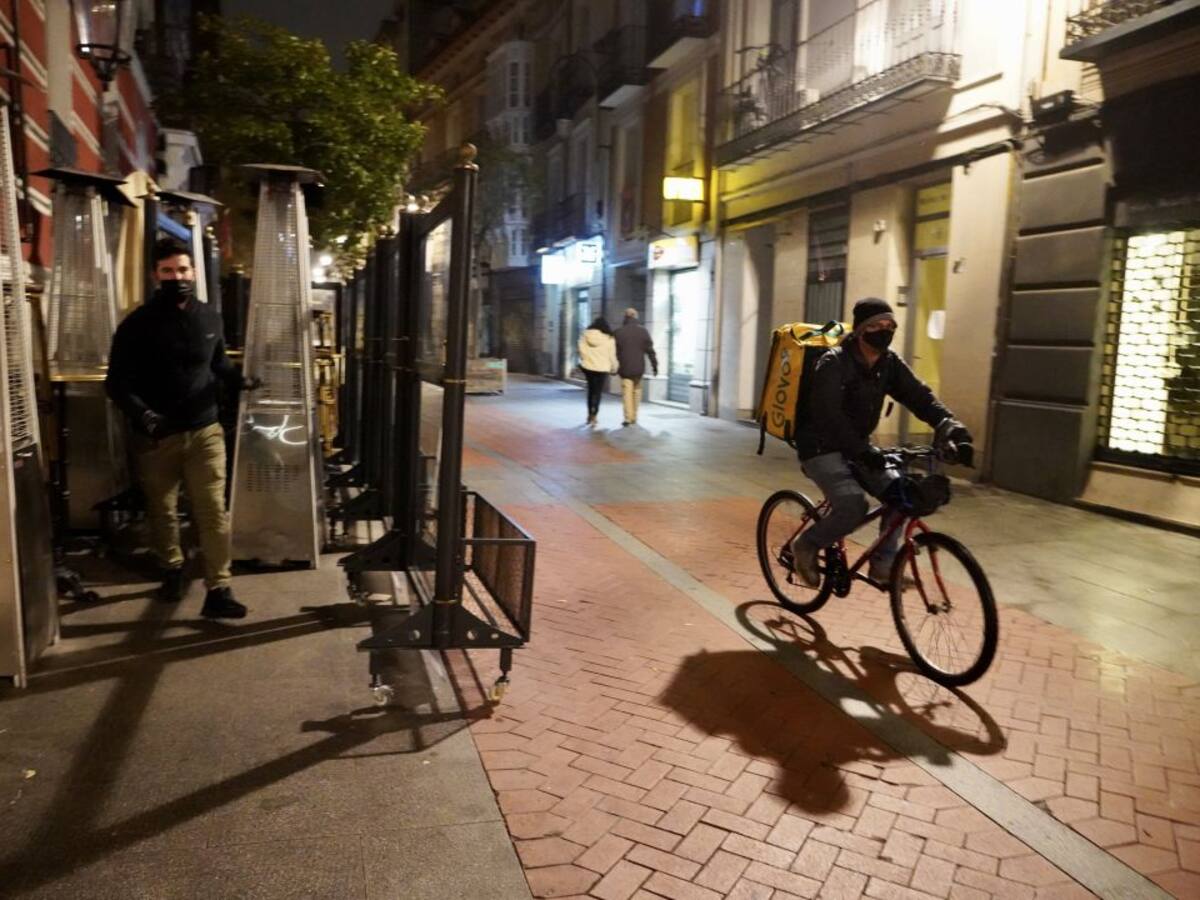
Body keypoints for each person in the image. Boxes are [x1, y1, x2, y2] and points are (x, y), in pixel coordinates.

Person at [106, 239, 259, 618]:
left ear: (194, 271)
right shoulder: (137, 325)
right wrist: (144, 415)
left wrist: (239, 380)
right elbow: (117, 383)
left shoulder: (209, 318)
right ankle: (172, 568)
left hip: (205, 431)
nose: (177, 277)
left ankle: (219, 589)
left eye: (183, 269)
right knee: (163, 510)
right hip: (156, 437)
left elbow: (217, 363)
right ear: (155, 276)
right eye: (168, 271)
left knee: (213, 510)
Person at [790, 297, 972, 586]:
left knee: (903, 496)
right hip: (820, 445)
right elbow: (828, 416)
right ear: (861, 329)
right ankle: (807, 545)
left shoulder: (889, 363)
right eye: (876, 325)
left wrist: (949, 425)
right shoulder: (833, 362)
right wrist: (862, 451)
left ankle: (883, 566)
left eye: (890, 325)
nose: (884, 331)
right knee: (852, 505)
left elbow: (919, 397)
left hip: (859, 446)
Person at [613, 307, 658, 426]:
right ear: (636, 317)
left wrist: (613, 366)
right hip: (639, 368)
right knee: (637, 391)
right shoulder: (643, 332)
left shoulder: (618, 332)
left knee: (627, 392)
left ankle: (628, 418)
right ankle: (634, 416)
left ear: (625, 317)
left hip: (625, 367)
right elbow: (650, 351)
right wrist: (654, 365)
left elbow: (613, 352)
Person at [577, 315, 618, 426]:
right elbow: (612, 355)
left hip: (589, 367)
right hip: (602, 368)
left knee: (591, 390)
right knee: (598, 392)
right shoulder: (609, 338)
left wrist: (585, 359)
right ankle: (595, 415)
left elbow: (581, 349)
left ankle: (589, 414)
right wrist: (614, 367)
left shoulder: (585, 334)